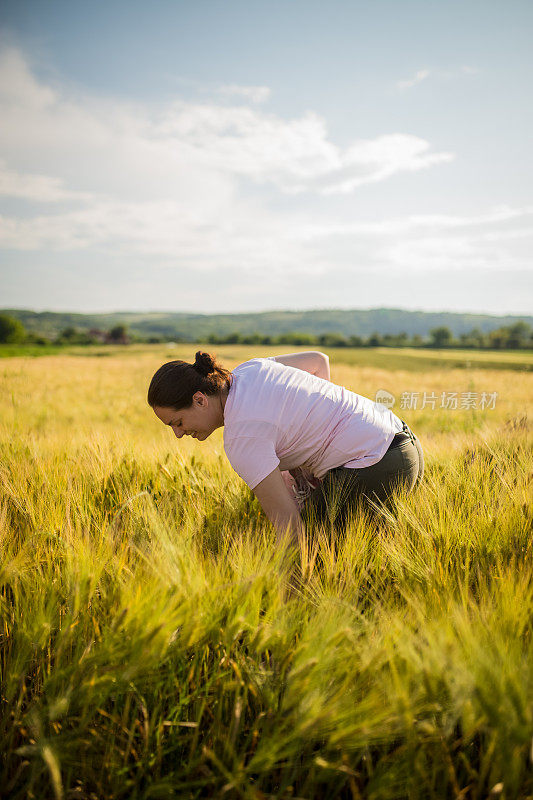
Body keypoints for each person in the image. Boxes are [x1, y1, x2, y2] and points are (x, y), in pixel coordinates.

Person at [147, 350, 424, 546]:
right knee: (369, 548)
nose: (179, 434)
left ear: (199, 400)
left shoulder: (241, 439)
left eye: (178, 422)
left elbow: (290, 529)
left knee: (316, 552)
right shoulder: (250, 369)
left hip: (373, 466)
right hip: (405, 445)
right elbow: (318, 361)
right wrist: (318, 434)